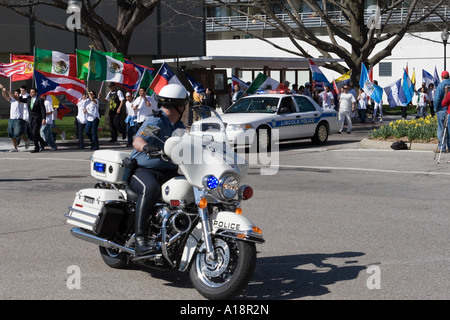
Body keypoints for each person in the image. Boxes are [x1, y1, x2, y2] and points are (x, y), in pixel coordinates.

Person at [128, 83, 188, 255]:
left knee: (188, 191)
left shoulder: (179, 128)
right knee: (150, 188)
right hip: (144, 171)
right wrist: (146, 147)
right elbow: (138, 140)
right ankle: (140, 240)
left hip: (168, 173)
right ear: (179, 105)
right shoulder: (157, 120)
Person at [0, 84, 30, 152]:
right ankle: (15, 148)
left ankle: (26, 140)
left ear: (19, 94)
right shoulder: (12, 100)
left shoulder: (20, 100)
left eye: (17, 93)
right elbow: (5, 96)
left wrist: (6, 90)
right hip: (11, 119)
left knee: (17, 133)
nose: (15, 94)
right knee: (11, 134)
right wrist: (3, 90)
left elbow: (13, 96)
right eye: (15, 93)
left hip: (18, 119)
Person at [434, 71, 450, 152]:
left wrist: (435, 108)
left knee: (441, 129)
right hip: (449, 109)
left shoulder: (440, 86)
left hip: (442, 109)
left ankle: (442, 147)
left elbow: (437, 99)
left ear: (442, 77)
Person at [27, 88, 47, 153]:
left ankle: (42, 142)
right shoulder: (29, 99)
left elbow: (42, 109)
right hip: (31, 118)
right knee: (32, 133)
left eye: (32, 92)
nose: (31, 93)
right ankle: (37, 147)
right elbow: (20, 99)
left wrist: (44, 118)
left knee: (34, 132)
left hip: (37, 118)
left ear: (36, 93)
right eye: (30, 92)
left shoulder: (40, 100)